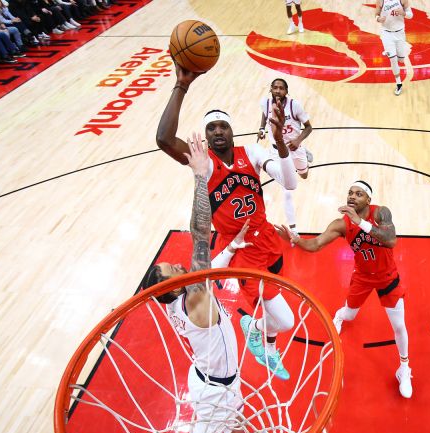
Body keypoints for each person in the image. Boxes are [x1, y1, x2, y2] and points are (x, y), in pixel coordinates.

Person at [156, 64, 299, 381]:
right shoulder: (203, 164)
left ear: (232, 131)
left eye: (223, 126)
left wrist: (279, 145)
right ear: (205, 136)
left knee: (274, 311)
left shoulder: (251, 151)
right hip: (241, 250)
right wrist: (181, 86)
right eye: (211, 128)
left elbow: (290, 183)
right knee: (286, 318)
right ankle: (258, 328)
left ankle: (265, 339)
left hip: (268, 240)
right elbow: (164, 138)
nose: (217, 131)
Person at [143, 134, 248, 433]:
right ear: (174, 289)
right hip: (214, 391)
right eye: (173, 271)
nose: (178, 265)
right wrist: (201, 178)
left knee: (239, 432)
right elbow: (200, 235)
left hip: (216, 379)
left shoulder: (181, 301)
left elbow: (210, 264)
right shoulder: (197, 299)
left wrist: (230, 247)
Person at [275, 181, 413, 398]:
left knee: (399, 325)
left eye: (358, 194)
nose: (352, 196)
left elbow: (391, 240)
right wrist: (297, 241)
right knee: (349, 314)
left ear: (368, 199)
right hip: (363, 277)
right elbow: (316, 244)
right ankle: (339, 315)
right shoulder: (341, 224)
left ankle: (404, 368)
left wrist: (361, 223)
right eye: (350, 193)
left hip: (388, 277)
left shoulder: (381, 213)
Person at [257, 78, 313, 238]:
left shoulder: (295, 105)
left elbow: (309, 127)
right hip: (277, 152)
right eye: (275, 88)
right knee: (287, 190)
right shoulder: (266, 103)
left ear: (286, 91)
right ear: (271, 90)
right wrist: (262, 128)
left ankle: (306, 154)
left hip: (295, 148)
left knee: (304, 175)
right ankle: (293, 228)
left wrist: (298, 140)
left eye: (281, 88)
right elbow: (264, 114)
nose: (278, 91)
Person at [376, 0, 412, 96]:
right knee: (393, 59)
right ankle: (399, 83)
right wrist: (378, 19)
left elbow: (410, 15)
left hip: (400, 33)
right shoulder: (381, 1)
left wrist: (403, 13)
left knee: (401, 60)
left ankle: (389, 51)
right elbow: (376, 14)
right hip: (386, 34)